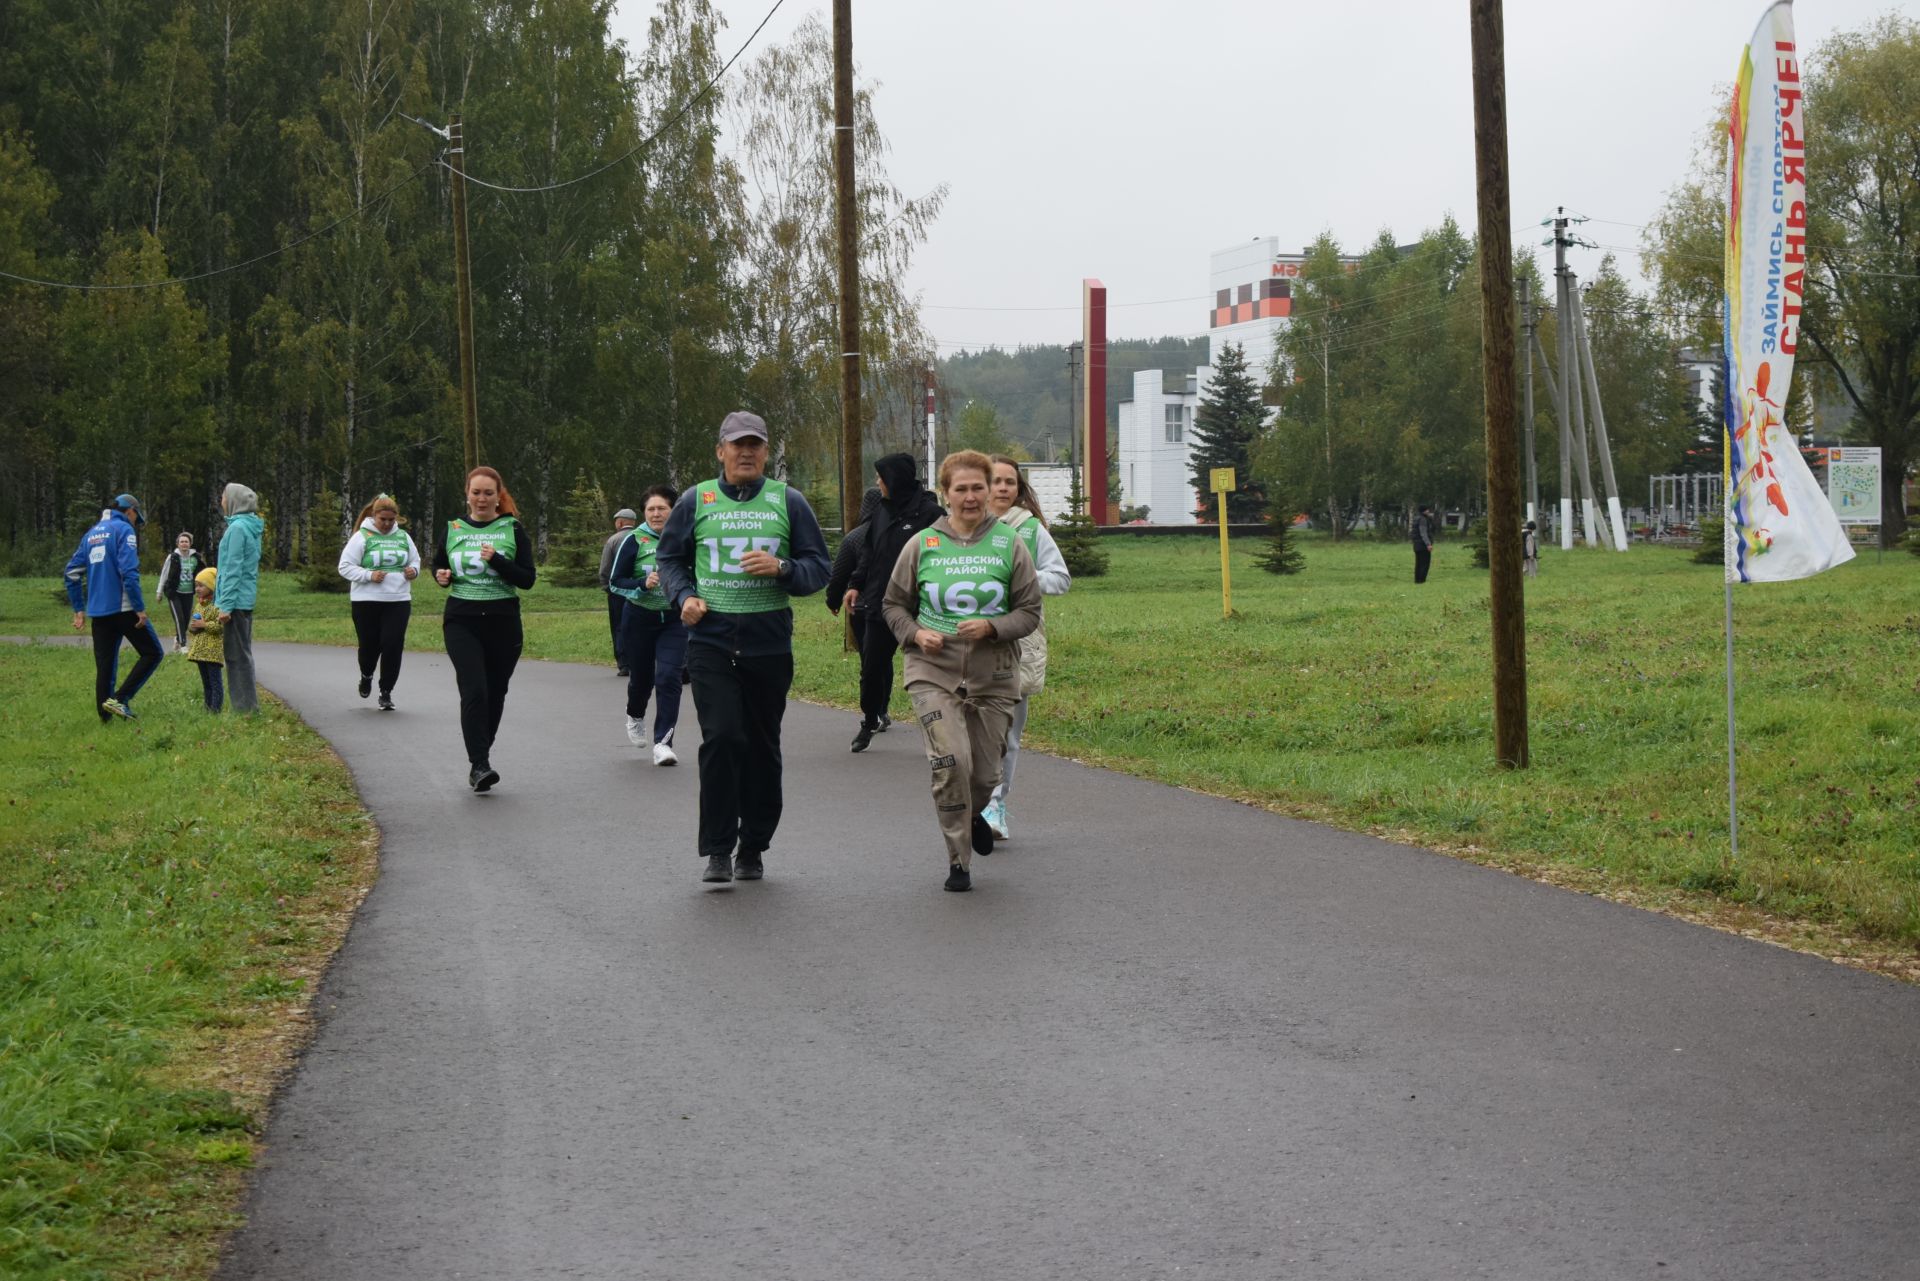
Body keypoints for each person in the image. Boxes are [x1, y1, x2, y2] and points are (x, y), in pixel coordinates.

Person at [655, 411, 831, 884]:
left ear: (767, 452)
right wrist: (684, 596)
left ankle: (753, 843)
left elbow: (819, 567)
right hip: (711, 639)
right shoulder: (696, 500)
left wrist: (782, 569)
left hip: (768, 642)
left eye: (755, 444)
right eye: (738, 444)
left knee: (760, 745)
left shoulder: (787, 501)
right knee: (723, 737)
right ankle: (718, 847)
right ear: (721, 451)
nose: (746, 452)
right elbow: (669, 557)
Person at [882, 450, 1043, 892]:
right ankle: (958, 861)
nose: (970, 498)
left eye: (978, 488)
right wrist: (916, 634)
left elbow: (1030, 611)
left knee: (986, 773)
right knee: (950, 761)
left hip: (994, 675)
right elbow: (893, 604)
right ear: (946, 494)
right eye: (961, 489)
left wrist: (993, 627)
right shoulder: (922, 544)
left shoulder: (1009, 543)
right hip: (932, 670)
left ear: (990, 491)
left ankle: (975, 814)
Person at [981, 455, 1072, 841]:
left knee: (1008, 734)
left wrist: (1022, 576)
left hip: (1017, 643)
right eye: (996, 481)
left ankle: (995, 804)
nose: (1003, 488)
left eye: (1010, 482)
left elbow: (1060, 578)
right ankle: (971, 798)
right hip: (966, 643)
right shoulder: (956, 529)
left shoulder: (1030, 530)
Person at [433, 466, 537, 792]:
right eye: (476, 492)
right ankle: (479, 764)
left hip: (503, 620)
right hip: (461, 618)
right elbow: (438, 563)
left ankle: (482, 753)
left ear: (498, 496)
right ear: (467, 494)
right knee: (474, 690)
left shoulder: (512, 528)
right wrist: (440, 575)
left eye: (488, 493)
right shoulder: (453, 528)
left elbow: (527, 579)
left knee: (495, 692)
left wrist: (498, 561)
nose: (481, 499)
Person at [849, 453, 943, 753]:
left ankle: (940, 728)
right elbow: (868, 552)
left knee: (930, 673)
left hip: (921, 610)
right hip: (880, 604)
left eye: (881, 476)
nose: (877, 482)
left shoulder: (932, 515)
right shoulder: (880, 511)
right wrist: (855, 585)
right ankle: (869, 719)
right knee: (872, 668)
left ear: (895, 479)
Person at [64, 493, 164, 722]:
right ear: (130, 511)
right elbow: (128, 572)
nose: (135, 524)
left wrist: (79, 608)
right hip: (124, 608)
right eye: (136, 519)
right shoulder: (123, 530)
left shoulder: (90, 534)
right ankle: (119, 699)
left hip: (98, 612)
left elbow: (71, 573)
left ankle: (105, 718)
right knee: (153, 653)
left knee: (105, 665)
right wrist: (139, 607)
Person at [609, 485, 687, 765]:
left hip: (675, 620)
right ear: (644, 513)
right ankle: (635, 714)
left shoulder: (684, 538)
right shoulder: (634, 540)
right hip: (639, 618)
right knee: (641, 680)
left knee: (669, 677)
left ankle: (663, 743)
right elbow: (615, 582)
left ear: (673, 510)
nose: (656, 514)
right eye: (651, 509)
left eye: (661, 509)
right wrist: (642, 584)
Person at [338, 494, 421, 711]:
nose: (386, 524)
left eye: (390, 520)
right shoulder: (361, 537)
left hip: (398, 599)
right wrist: (368, 575)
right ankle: (366, 675)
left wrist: (414, 571)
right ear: (374, 516)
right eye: (382, 519)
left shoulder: (403, 537)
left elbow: (415, 560)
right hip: (366, 601)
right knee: (369, 646)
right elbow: (344, 566)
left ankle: (386, 692)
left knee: (393, 644)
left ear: (396, 519)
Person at [215, 483, 264, 713]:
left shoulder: (237, 529)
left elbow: (233, 568)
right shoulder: (249, 526)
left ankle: (245, 709)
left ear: (234, 500)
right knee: (241, 654)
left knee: (236, 657)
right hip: (243, 600)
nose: (222, 501)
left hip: (235, 602)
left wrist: (225, 605)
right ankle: (247, 707)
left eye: (224, 497)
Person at [601, 507, 639, 676]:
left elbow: (605, 568)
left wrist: (607, 587)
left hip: (617, 591)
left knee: (618, 626)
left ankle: (624, 664)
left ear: (621, 522)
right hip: (639, 589)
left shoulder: (613, 540)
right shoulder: (642, 538)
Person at [158, 530, 204, 653]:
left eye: (186, 541)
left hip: (188, 593)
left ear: (190, 543)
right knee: (180, 618)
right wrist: (159, 592)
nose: (184, 544)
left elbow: (202, 574)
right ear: (178, 544)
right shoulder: (173, 557)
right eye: (181, 541)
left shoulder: (196, 558)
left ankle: (177, 639)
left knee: (186, 618)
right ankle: (183, 645)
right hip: (174, 592)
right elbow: (164, 574)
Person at [186, 567, 225, 711]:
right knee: (206, 682)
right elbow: (192, 627)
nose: (197, 589)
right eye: (196, 585)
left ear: (211, 586)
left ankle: (216, 710)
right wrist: (193, 627)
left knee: (215, 683)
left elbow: (221, 628)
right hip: (200, 651)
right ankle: (207, 707)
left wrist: (204, 624)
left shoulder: (218, 606)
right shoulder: (199, 604)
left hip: (212, 651)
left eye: (201, 585)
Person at [1412, 504, 1437, 585]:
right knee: (1425, 563)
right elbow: (1423, 533)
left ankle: (1417, 580)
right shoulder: (1423, 519)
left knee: (1418, 563)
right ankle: (1421, 581)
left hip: (1416, 544)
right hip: (1423, 545)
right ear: (1424, 511)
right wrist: (1428, 544)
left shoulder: (1416, 518)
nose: (1428, 511)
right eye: (1427, 510)